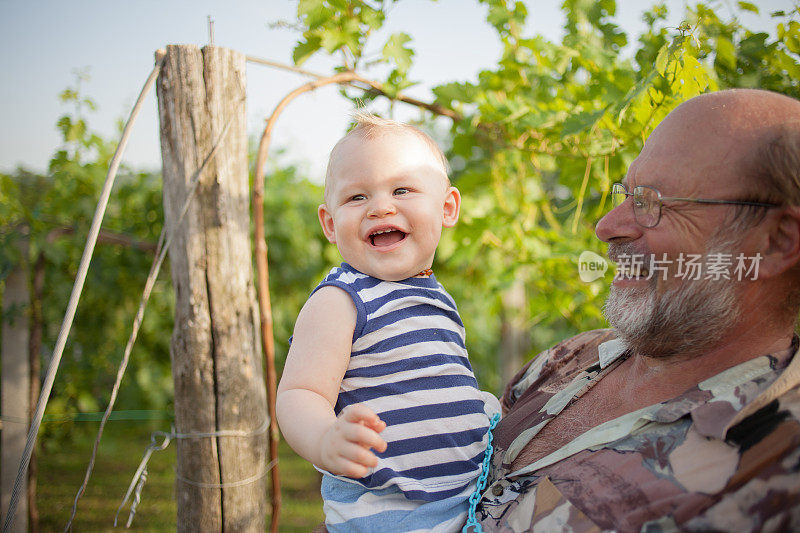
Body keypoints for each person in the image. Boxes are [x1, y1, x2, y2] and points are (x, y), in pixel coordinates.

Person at [476, 89, 800, 532]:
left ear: (777, 241)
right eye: (626, 193)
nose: (606, 227)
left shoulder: (779, 464)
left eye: (652, 202)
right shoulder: (569, 358)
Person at [277, 114, 500, 532]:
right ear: (329, 223)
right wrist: (325, 438)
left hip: (462, 503)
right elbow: (299, 393)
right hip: (388, 514)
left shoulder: (436, 296)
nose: (381, 206)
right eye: (357, 197)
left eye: (402, 189)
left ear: (447, 207)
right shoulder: (342, 299)